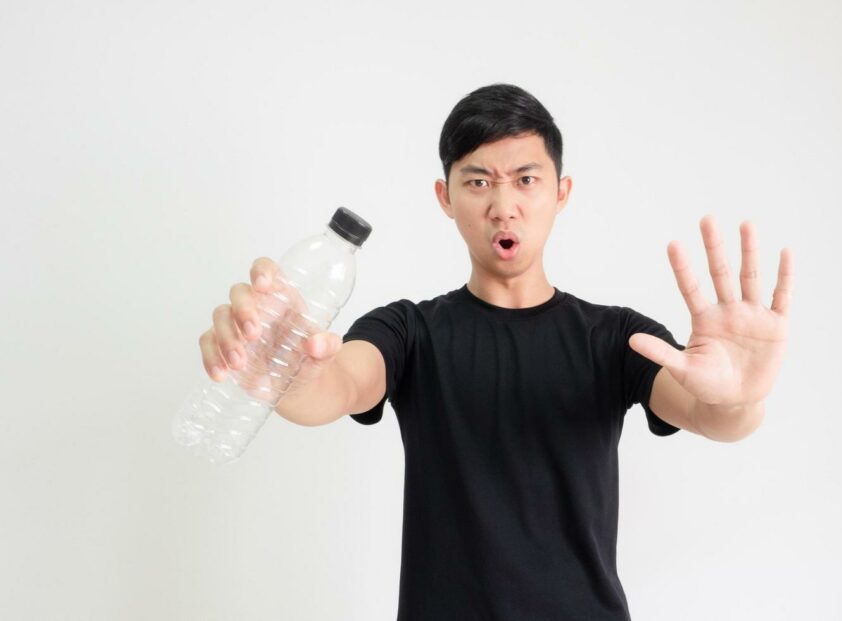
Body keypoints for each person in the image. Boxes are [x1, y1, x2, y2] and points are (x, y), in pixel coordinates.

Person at [198, 83, 793, 620]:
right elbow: (338, 384)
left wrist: (743, 397)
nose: (503, 205)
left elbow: (709, 411)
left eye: (526, 180)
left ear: (561, 193)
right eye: (478, 181)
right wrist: (286, 374)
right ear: (446, 196)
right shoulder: (409, 331)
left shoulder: (616, 338)